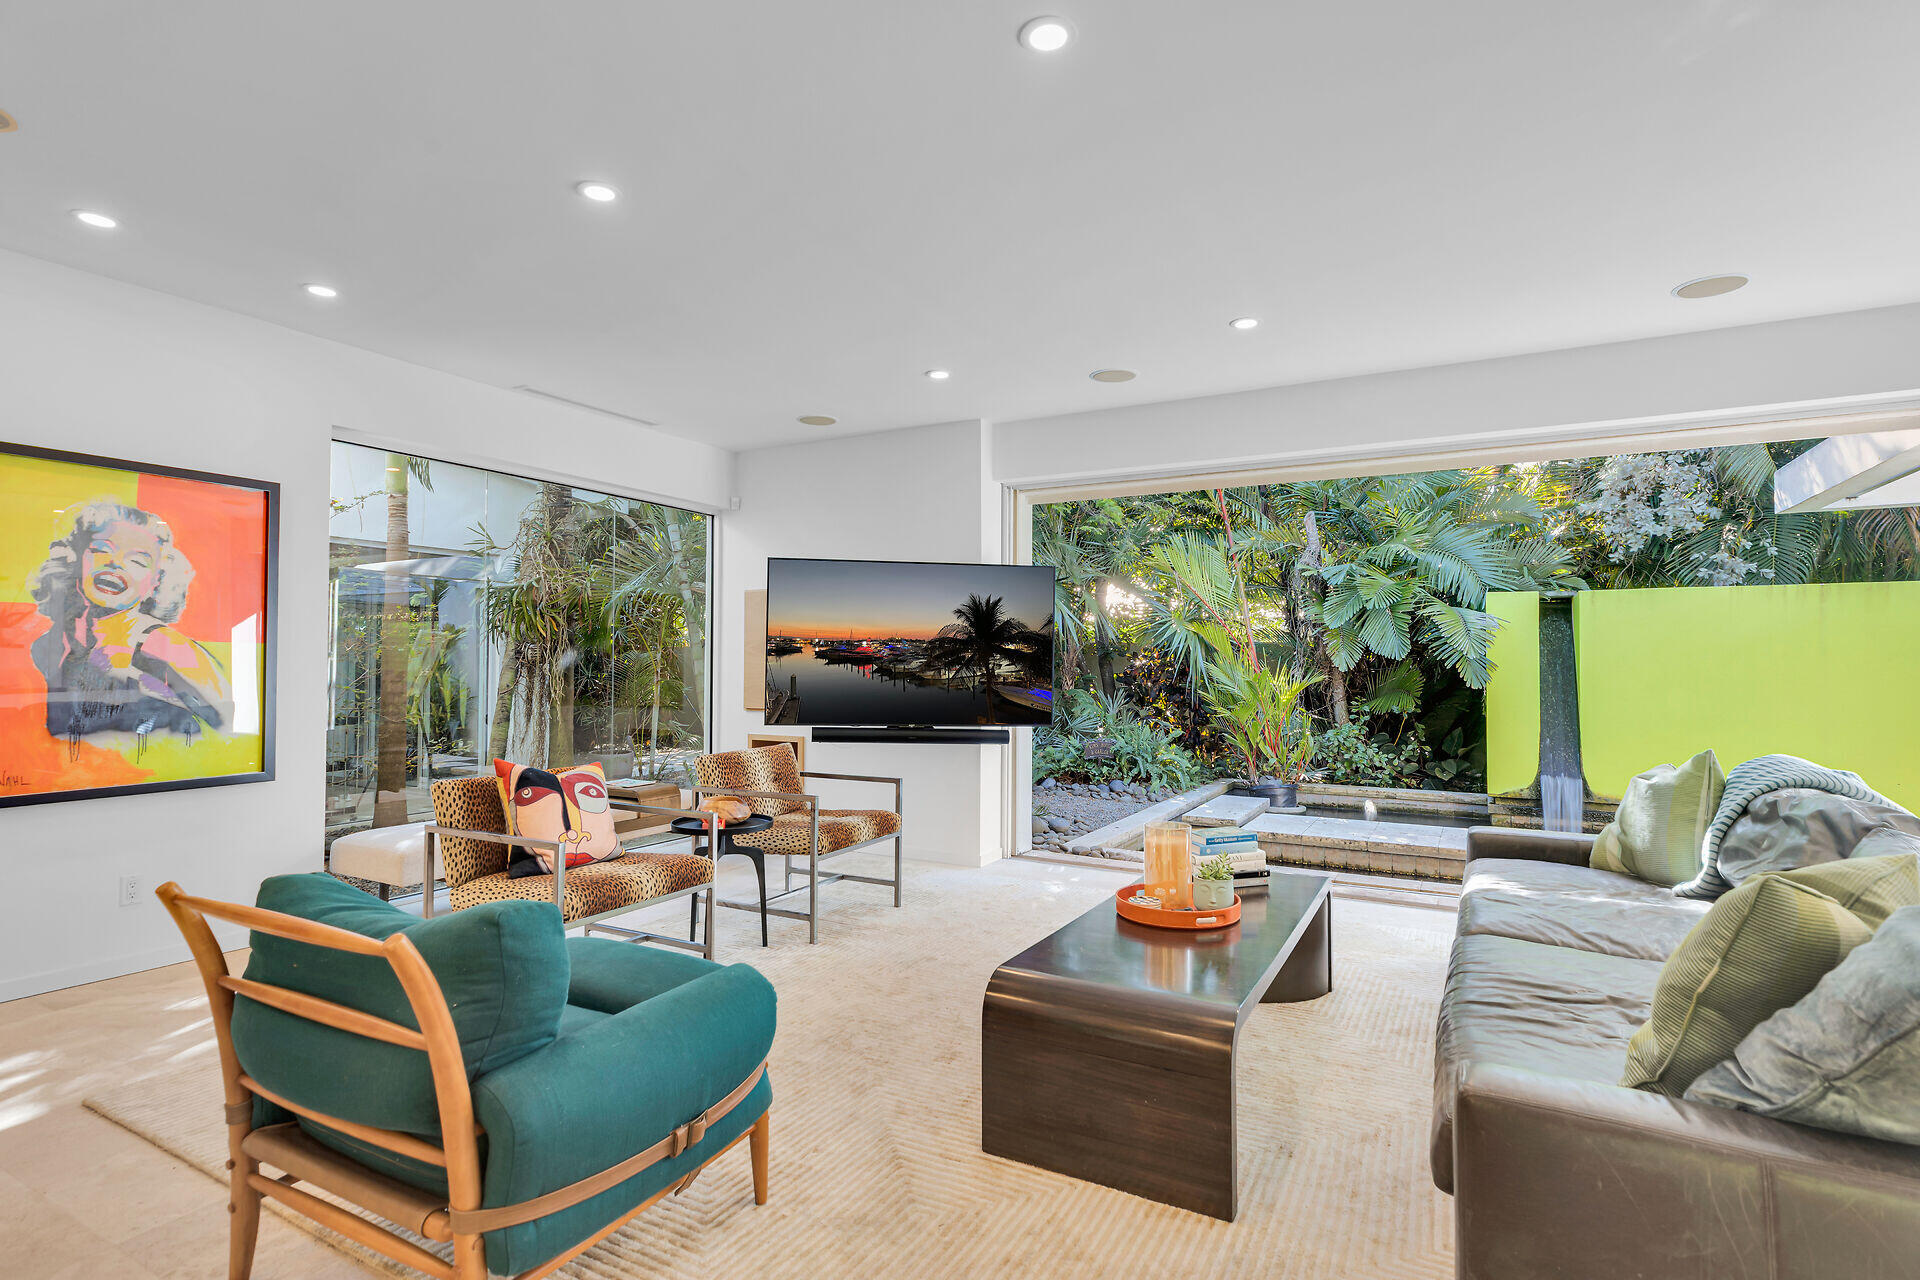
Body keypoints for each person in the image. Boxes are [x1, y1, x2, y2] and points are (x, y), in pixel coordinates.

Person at [28, 501, 231, 741]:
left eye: (137, 561)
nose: (115, 563)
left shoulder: (165, 646)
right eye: (101, 550)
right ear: (76, 560)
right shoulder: (47, 646)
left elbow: (231, 729)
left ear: (156, 583)